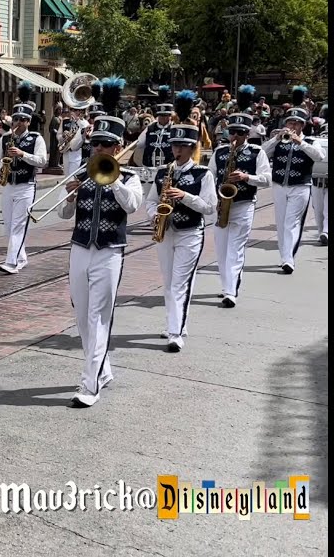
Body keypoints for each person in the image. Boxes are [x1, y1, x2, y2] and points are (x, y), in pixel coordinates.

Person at [58, 112, 141, 407]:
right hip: (80, 248)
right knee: (82, 315)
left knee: (98, 316)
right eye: (95, 145)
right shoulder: (81, 175)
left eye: (104, 145)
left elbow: (132, 206)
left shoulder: (131, 178)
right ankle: (102, 370)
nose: (97, 150)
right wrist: (69, 197)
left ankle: (89, 384)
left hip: (109, 251)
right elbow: (62, 215)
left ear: (117, 148)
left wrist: (114, 180)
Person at [145, 124, 216, 352]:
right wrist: (154, 215)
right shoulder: (162, 172)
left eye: (182, 147)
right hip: (166, 232)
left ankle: (175, 333)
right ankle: (175, 324)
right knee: (168, 282)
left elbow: (209, 207)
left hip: (190, 232)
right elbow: (150, 201)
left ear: (192, 147)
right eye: (175, 146)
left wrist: (185, 196)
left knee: (179, 284)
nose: (177, 151)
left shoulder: (202, 174)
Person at [211, 106, 272, 309]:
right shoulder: (219, 152)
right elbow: (210, 176)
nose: (235, 136)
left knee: (235, 249)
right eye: (232, 132)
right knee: (220, 250)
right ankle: (225, 284)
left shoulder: (257, 152)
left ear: (248, 133)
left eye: (241, 132)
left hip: (244, 204)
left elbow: (266, 180)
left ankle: (231, 291)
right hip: (222, 205)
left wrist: (247, 177)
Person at [263, 88, 326, 273]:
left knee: (291, 222)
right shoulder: (279, 140)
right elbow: (263, 152)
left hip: (300, 186)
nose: (293, 126)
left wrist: (300, 142)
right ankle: (285, 255)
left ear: (302, 126)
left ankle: (288, 259)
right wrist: (276, 138)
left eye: (297, 123)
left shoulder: (311, 142)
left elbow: (320, 156)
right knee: (281, 222)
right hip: (279, 185)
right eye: (290, 122)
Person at [0, 83, 47, 274]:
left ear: (29, 121)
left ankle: (12, 262)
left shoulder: (36, 138)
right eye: (16, 119)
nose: (18, 123)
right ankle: (21, 257)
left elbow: (42, 161)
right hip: (8, 184)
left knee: (18, 225)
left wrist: (23, 154)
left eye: (23, 120)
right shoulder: (5, 138)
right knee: (8, 226)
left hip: (26, 185)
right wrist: (1, 167)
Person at [130, 86, 175, 199]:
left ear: (170, 116)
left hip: (168, 169)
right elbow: (139, 144)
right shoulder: (150, 128)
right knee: (150, 198)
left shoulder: (174, 128)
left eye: (166, 116)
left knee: (166, 197)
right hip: (149, 169)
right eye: (161, 116)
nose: (164, 118)